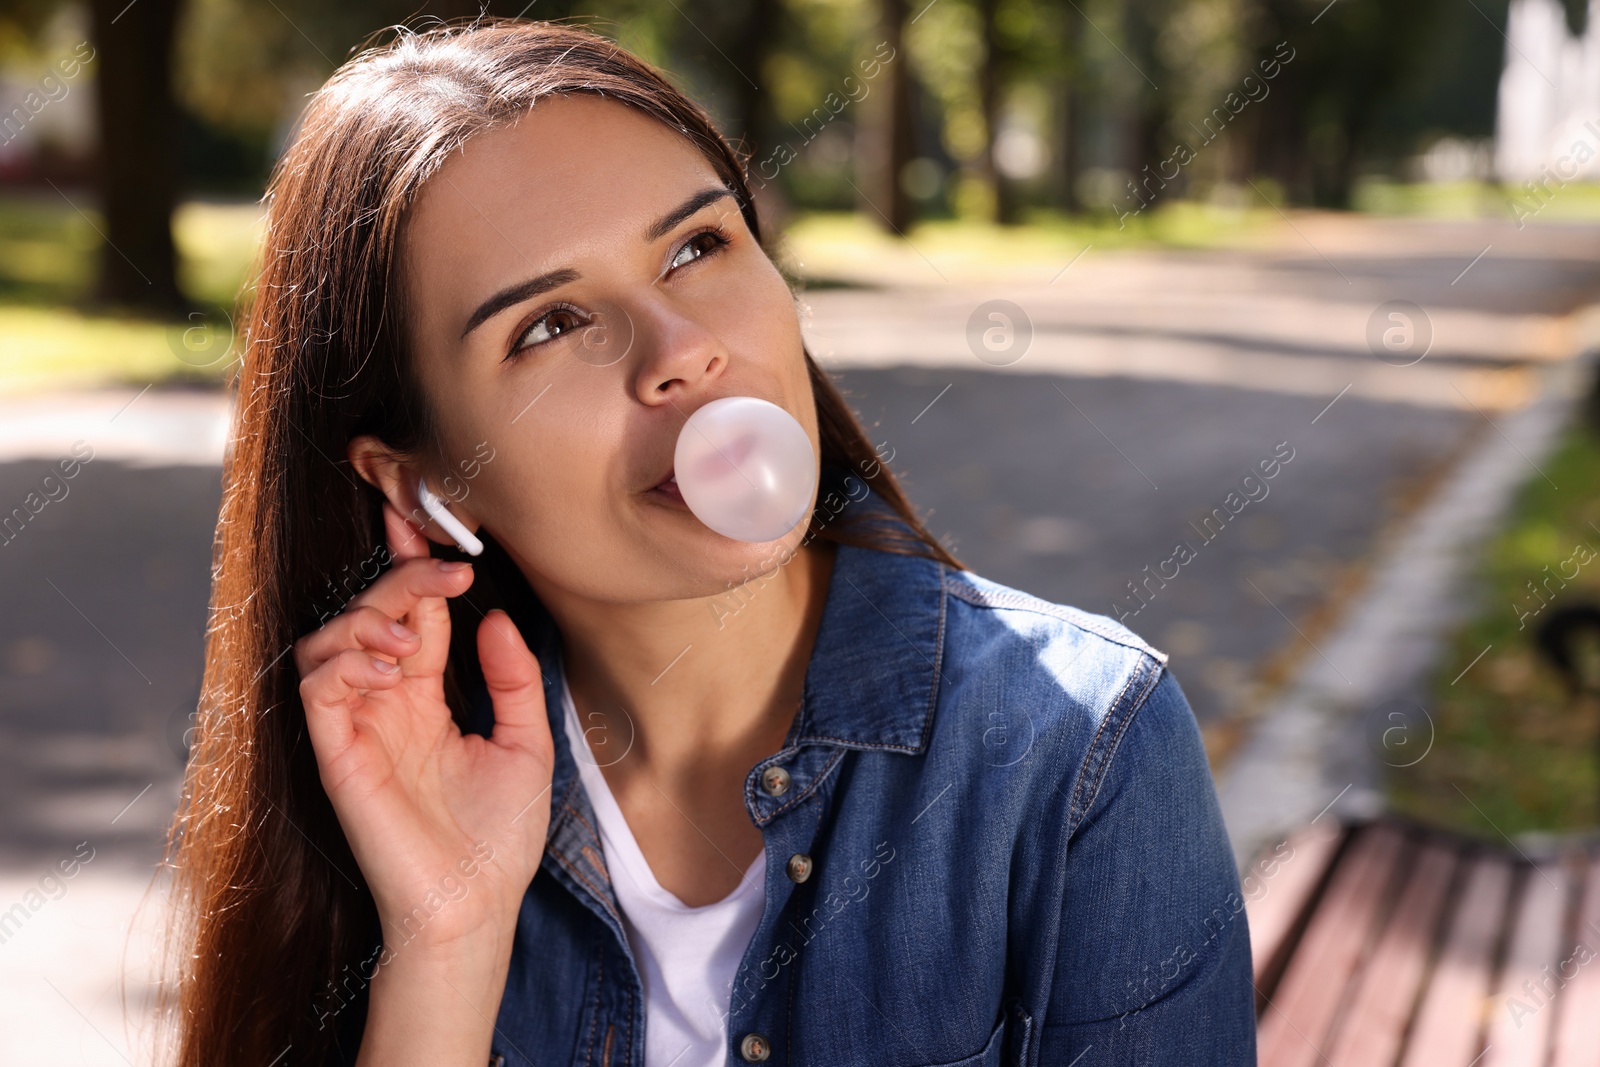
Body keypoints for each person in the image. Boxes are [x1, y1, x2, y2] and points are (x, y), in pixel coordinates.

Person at [157, 19, 1257, 1067]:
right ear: (423, 476)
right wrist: (445, 940)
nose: (681, 352)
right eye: (549, 324)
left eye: (696, 245)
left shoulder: (1076, 753)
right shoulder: (402, 782)